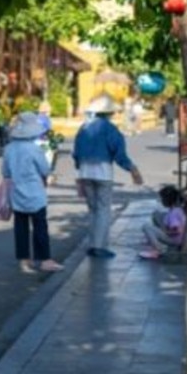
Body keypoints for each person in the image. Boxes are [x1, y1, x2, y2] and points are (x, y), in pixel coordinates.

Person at [71, 98, 144, 258]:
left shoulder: (83, 128)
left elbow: (75, 153)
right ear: (110, 113)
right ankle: (99, 246)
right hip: (103, 173)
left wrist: (80, 167)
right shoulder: (111, 129)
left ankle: (92, 244)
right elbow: (119, 154)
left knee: (93, 210)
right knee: (103, 209)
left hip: (84, 173)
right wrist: (132, 169)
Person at [2, 112, 64, 273]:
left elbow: (6, 172)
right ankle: (44, 260)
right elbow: (45, 169)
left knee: (20, 227)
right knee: (40, 226)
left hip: (17, 192)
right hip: (35, 192)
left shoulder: (8, 149)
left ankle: (24, 261)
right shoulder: (35, 149)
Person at [139, 185, 187, 259]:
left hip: (174, 240)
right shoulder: (177, 209)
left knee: (146, 227)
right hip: (175, 237)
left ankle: (158, 250)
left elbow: (178, 230)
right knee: (156, 214)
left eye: (162, 199)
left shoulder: (173, 214)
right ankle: (153, 242)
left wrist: (164, 232)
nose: (161, 201)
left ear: (168, 200)